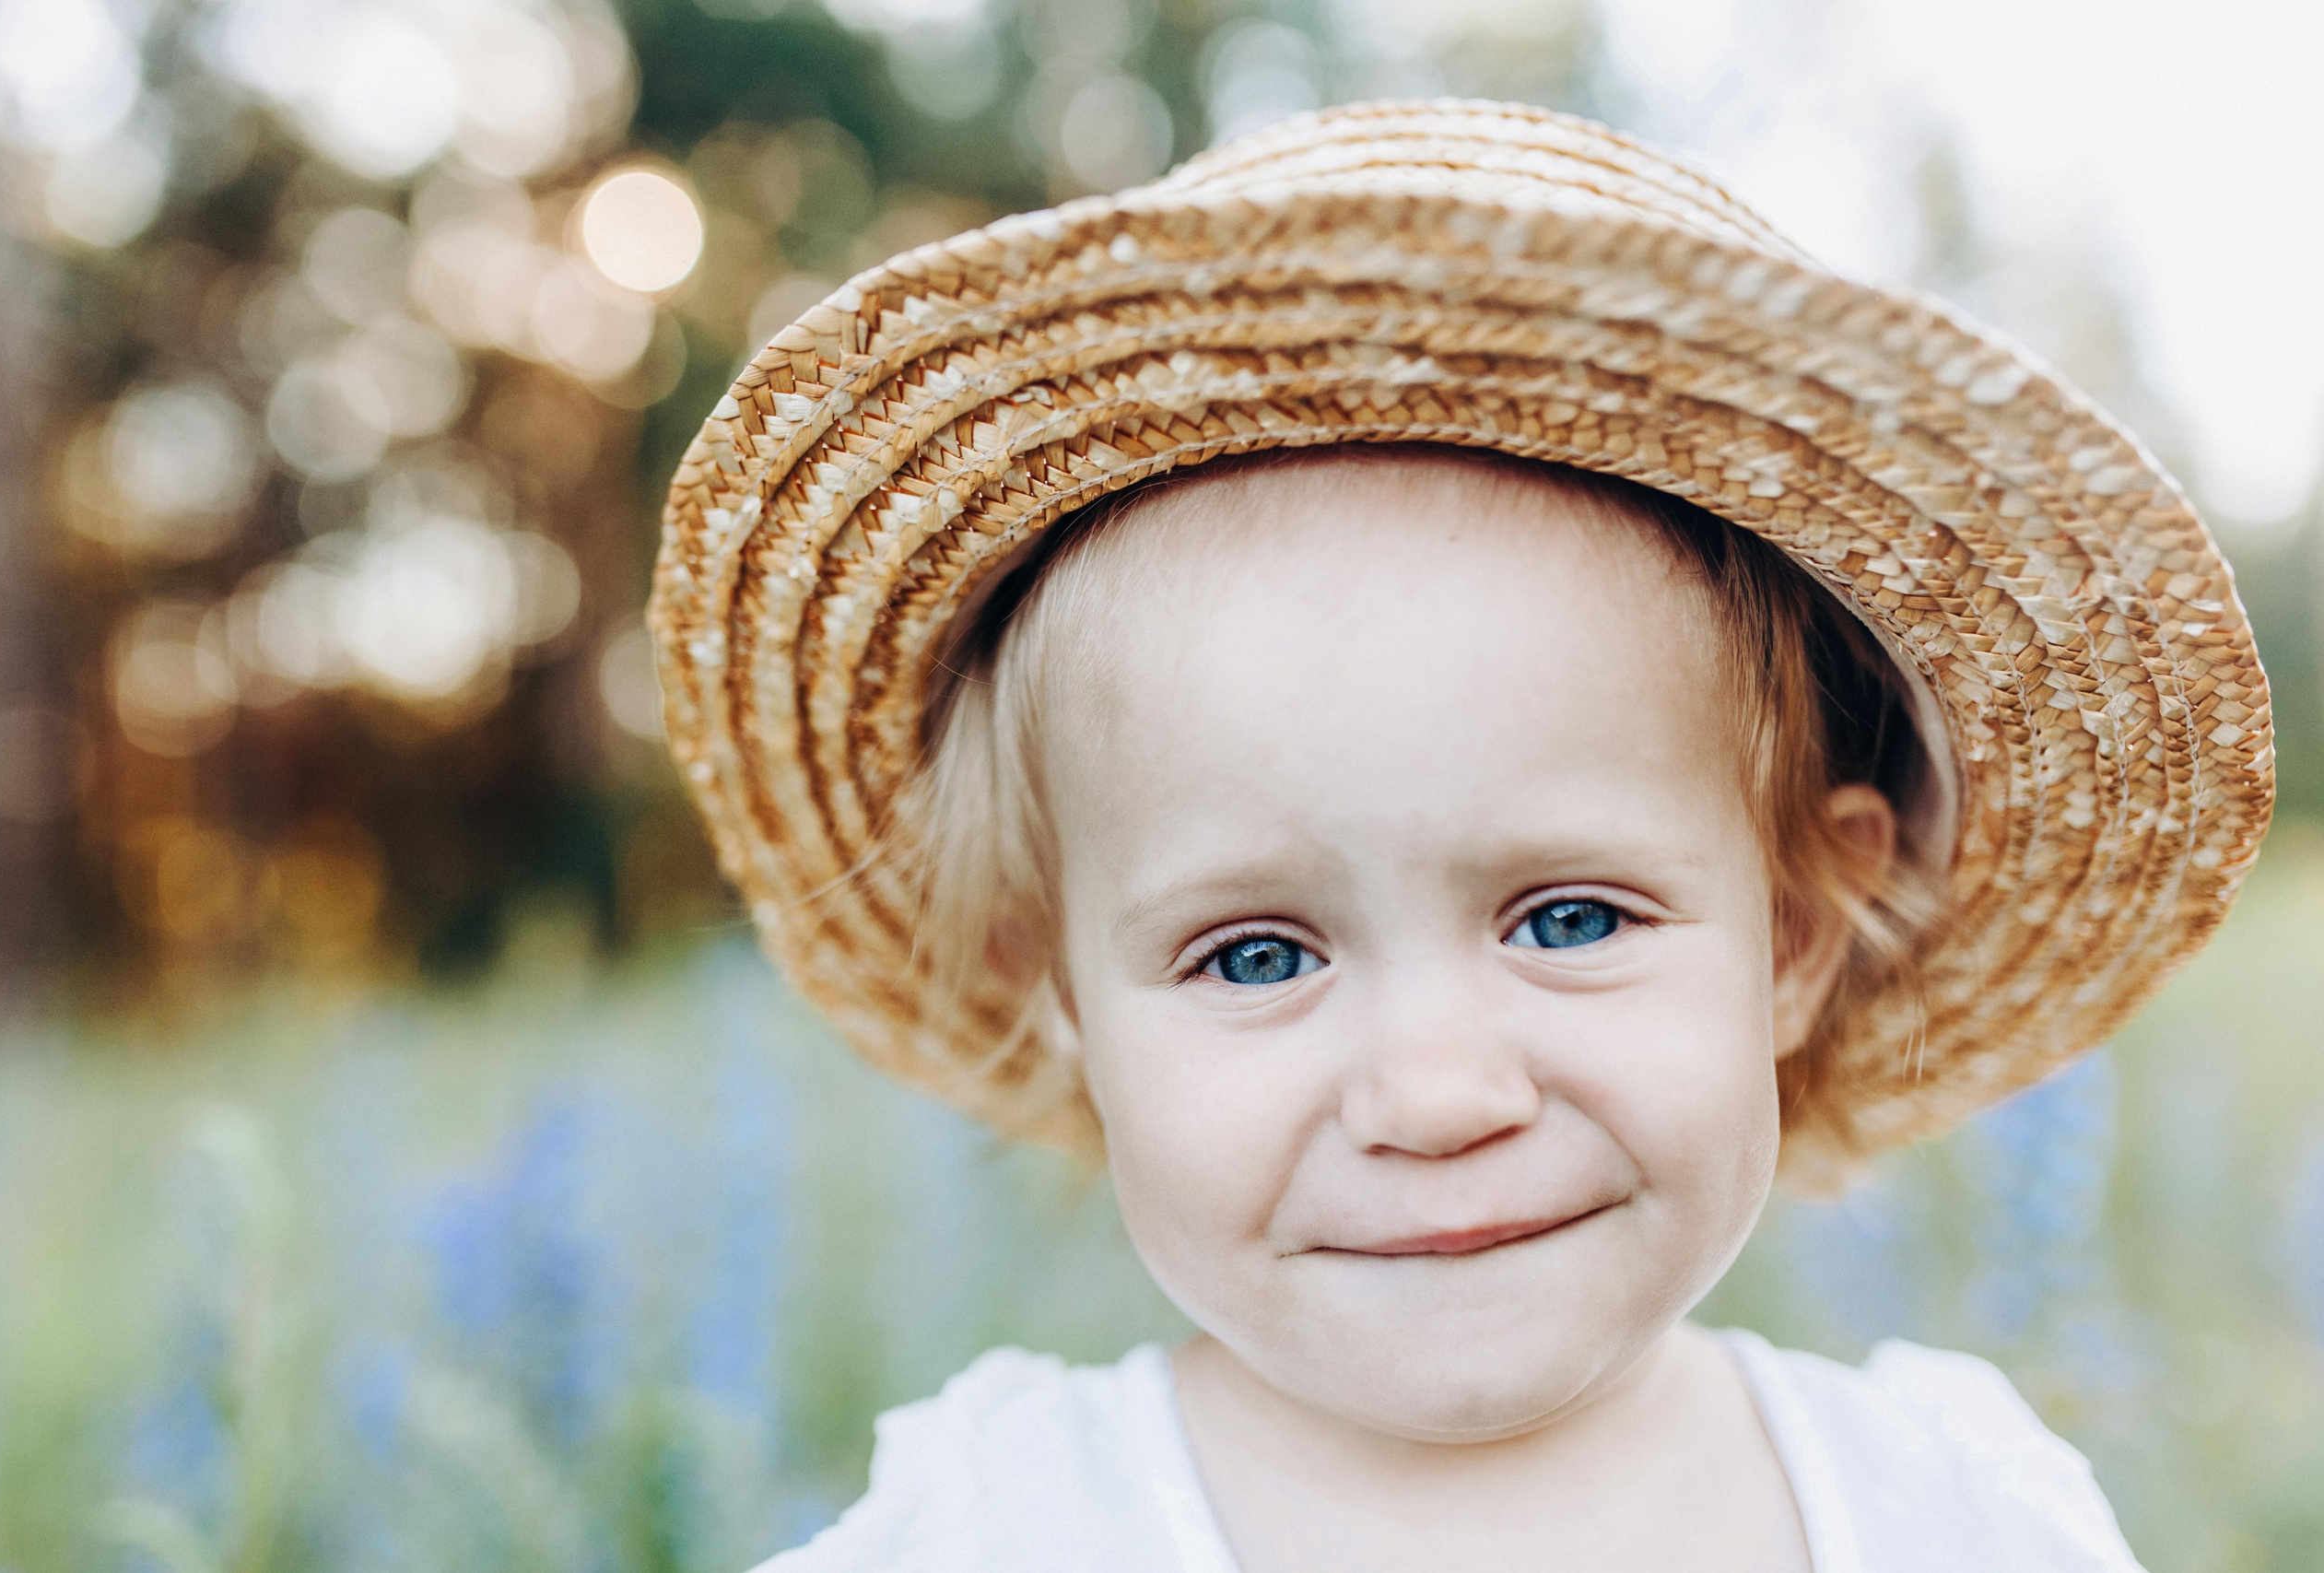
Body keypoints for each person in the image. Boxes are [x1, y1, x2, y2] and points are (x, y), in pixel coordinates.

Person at [647, 100, 2272, 1572]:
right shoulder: (984, 1538)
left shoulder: (1962, 1516)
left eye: (1569, 919)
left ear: (1795, 934)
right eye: (1258, 954)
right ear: (1057, 991)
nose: (1436, 1096)